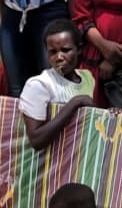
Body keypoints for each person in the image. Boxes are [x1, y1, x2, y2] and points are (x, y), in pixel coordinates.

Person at [19, 19, 94, 151]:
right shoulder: (40, 85)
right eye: (52, 52)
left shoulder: (87, 78)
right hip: (54, 164)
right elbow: (36, 140)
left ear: (79, 49)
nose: (59, 57)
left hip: (82, 156)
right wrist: (75, 102)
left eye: (66, 50)